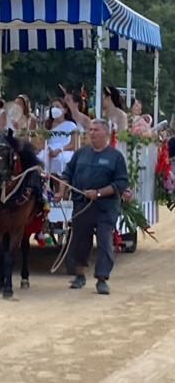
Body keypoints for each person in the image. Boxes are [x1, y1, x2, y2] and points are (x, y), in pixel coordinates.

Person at [61, 118, 129, 295]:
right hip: (82, 205)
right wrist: (62, 191)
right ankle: (79, 275)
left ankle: (102, 279)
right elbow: (67, 173)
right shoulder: (81, 153)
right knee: (80, 241)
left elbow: (121, 183)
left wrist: (98, 193)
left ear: (106, 133)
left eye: (96, 130)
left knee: (105, 242)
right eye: (90, 130)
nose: (92, 133)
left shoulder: (115, 157)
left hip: (105, 208)